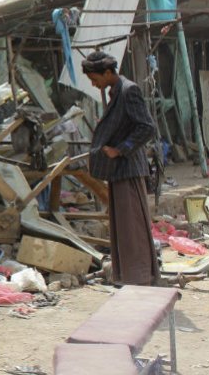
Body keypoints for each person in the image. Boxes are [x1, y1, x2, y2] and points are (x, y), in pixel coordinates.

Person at [81, 50, 159, 286]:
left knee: (132, 228)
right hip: (119, 171)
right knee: (124, 228)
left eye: (95, 79)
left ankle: (140, 277)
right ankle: (129, 276)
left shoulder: (128, 90)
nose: (94, 84)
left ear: (107, 72)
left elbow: (147, 127)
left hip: (128, 169)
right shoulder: (116, 92)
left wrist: (120, 149)